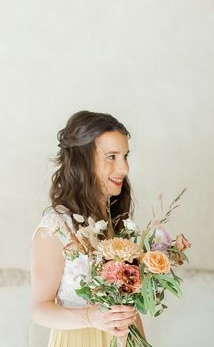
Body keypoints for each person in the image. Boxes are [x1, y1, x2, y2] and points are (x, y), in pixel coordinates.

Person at [31, 111, 144, 347]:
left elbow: (130, 308)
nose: (124, 168)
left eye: (125, 156)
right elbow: (40, 310)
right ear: (83, 161)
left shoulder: (119, 223)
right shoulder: (56, 227)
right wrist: (90, 317)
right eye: (112, 156)